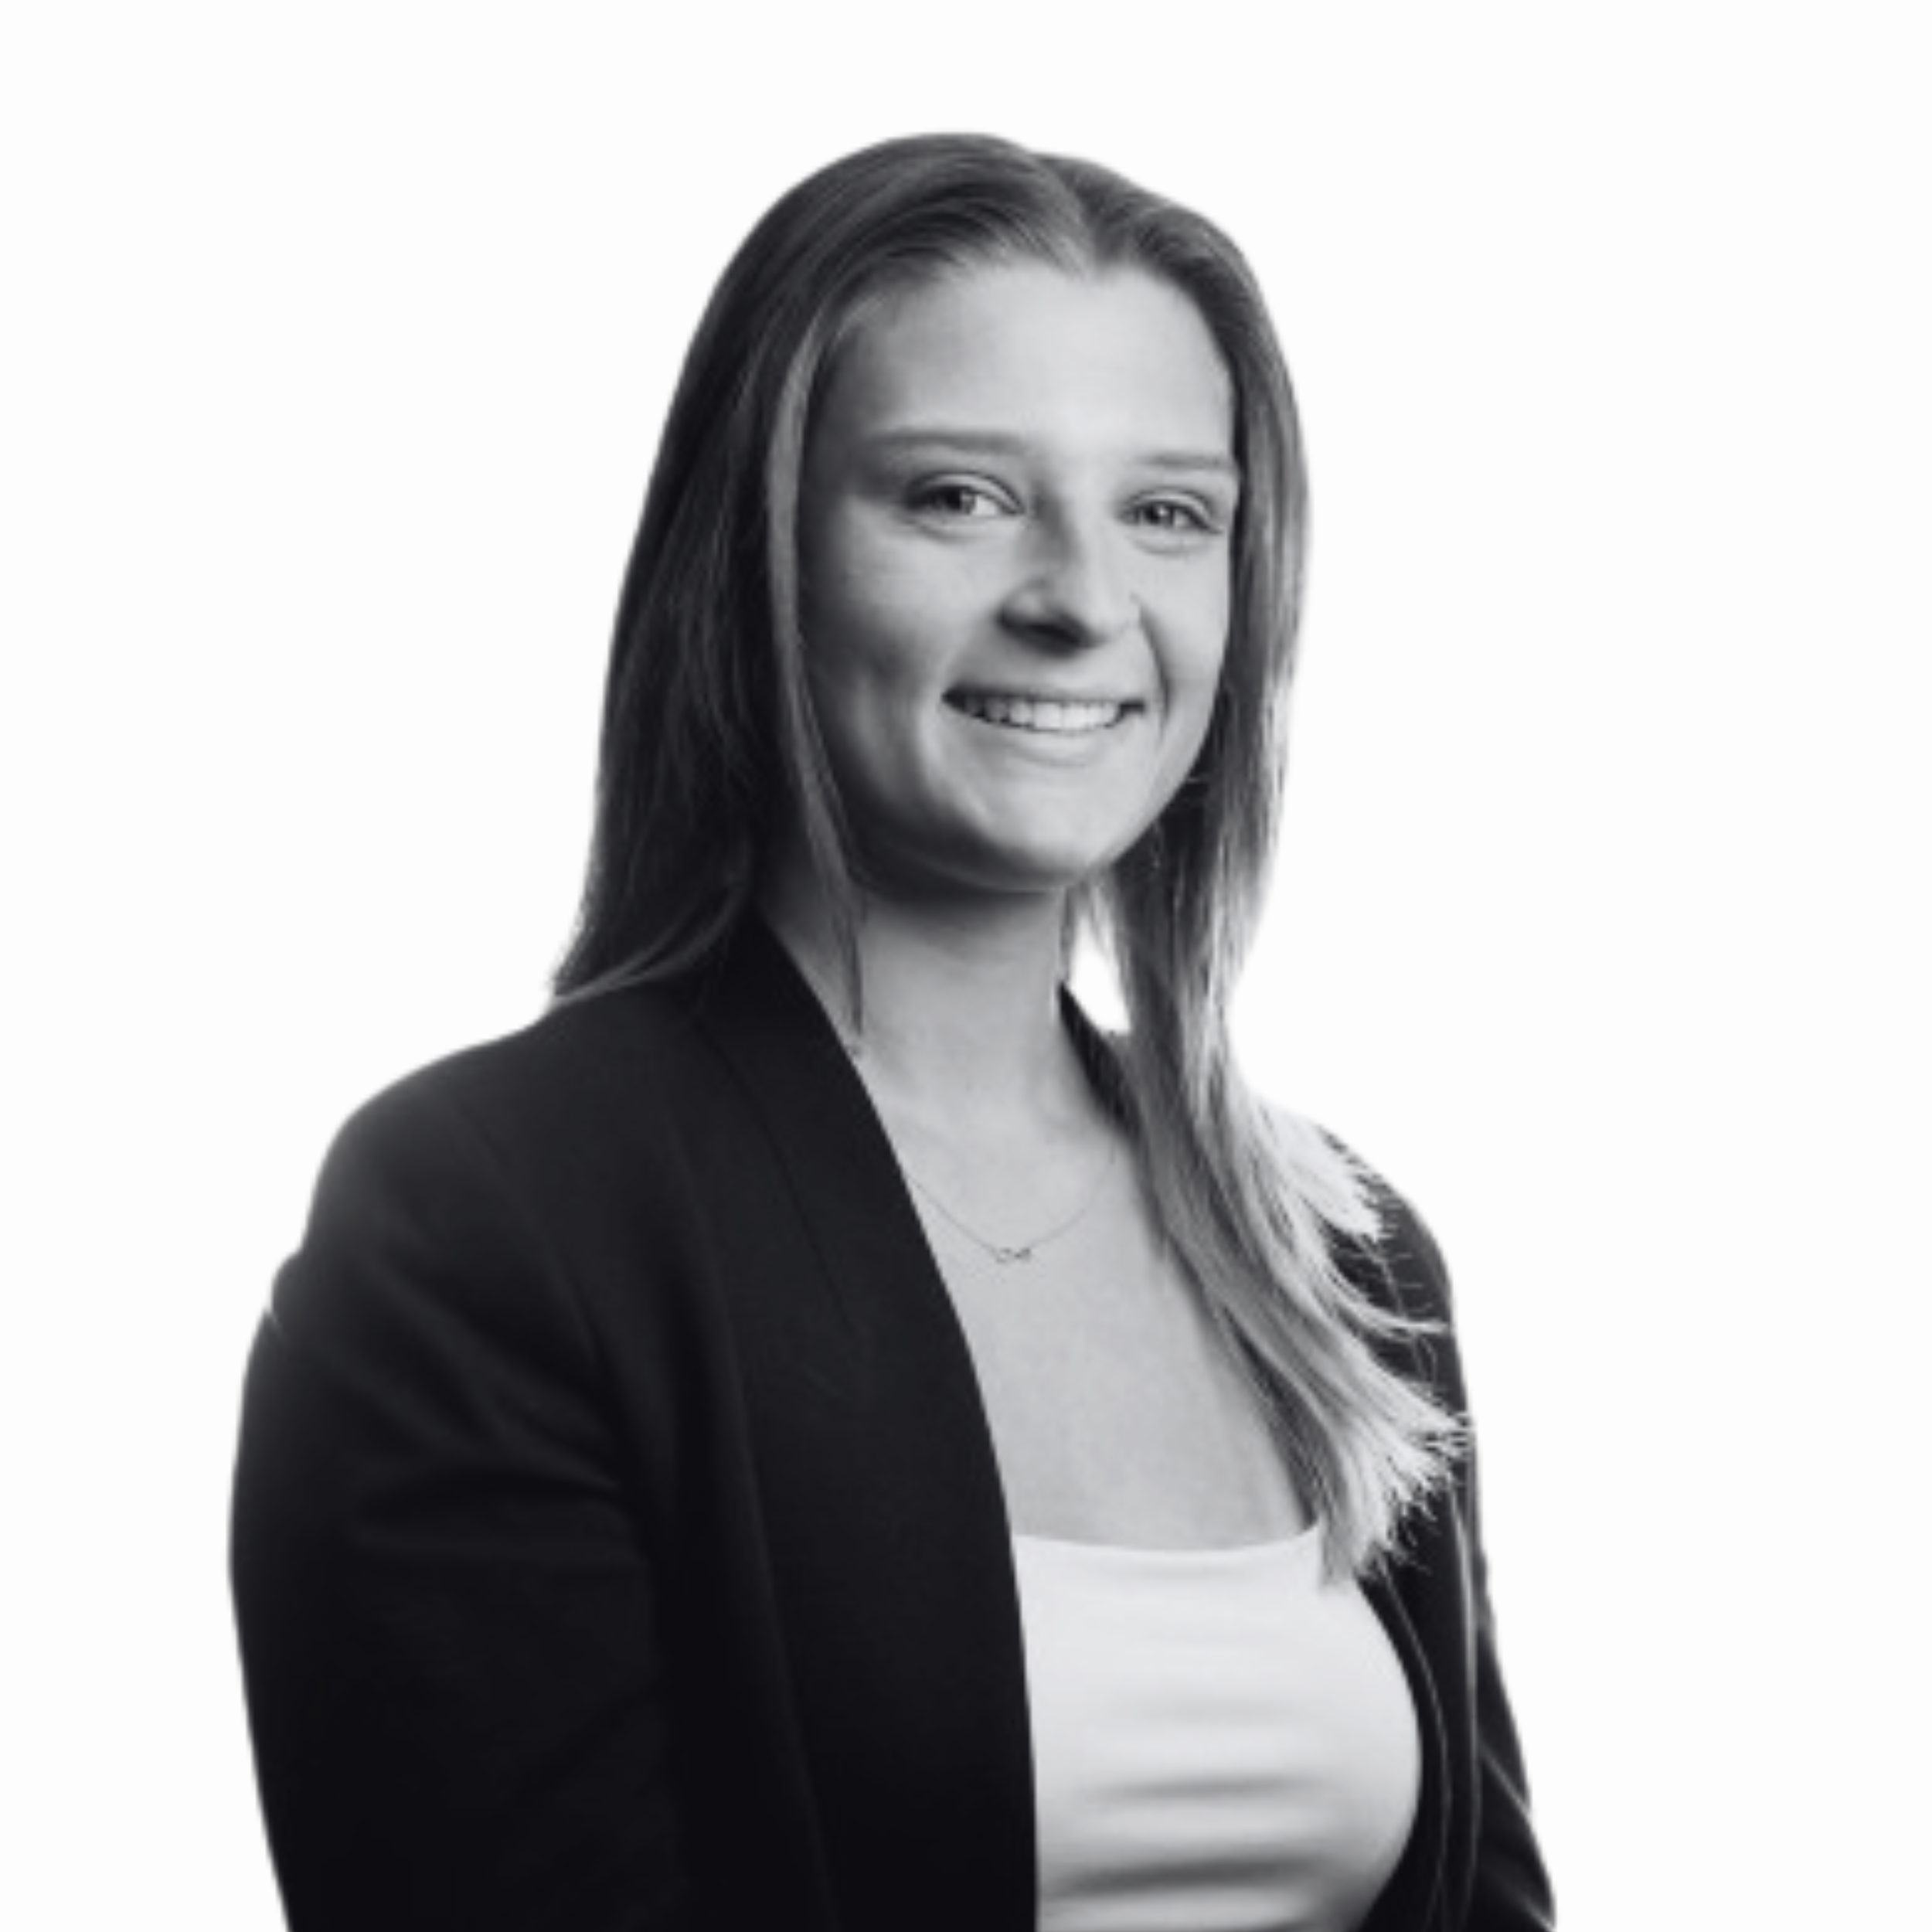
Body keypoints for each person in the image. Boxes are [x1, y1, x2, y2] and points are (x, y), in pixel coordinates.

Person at [230, 133, 1555, 1932]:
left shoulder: (1339, 1250)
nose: (1082, 598)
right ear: (760, 553)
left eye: (1167, 511)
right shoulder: (495, 1220)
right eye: (957, 496)